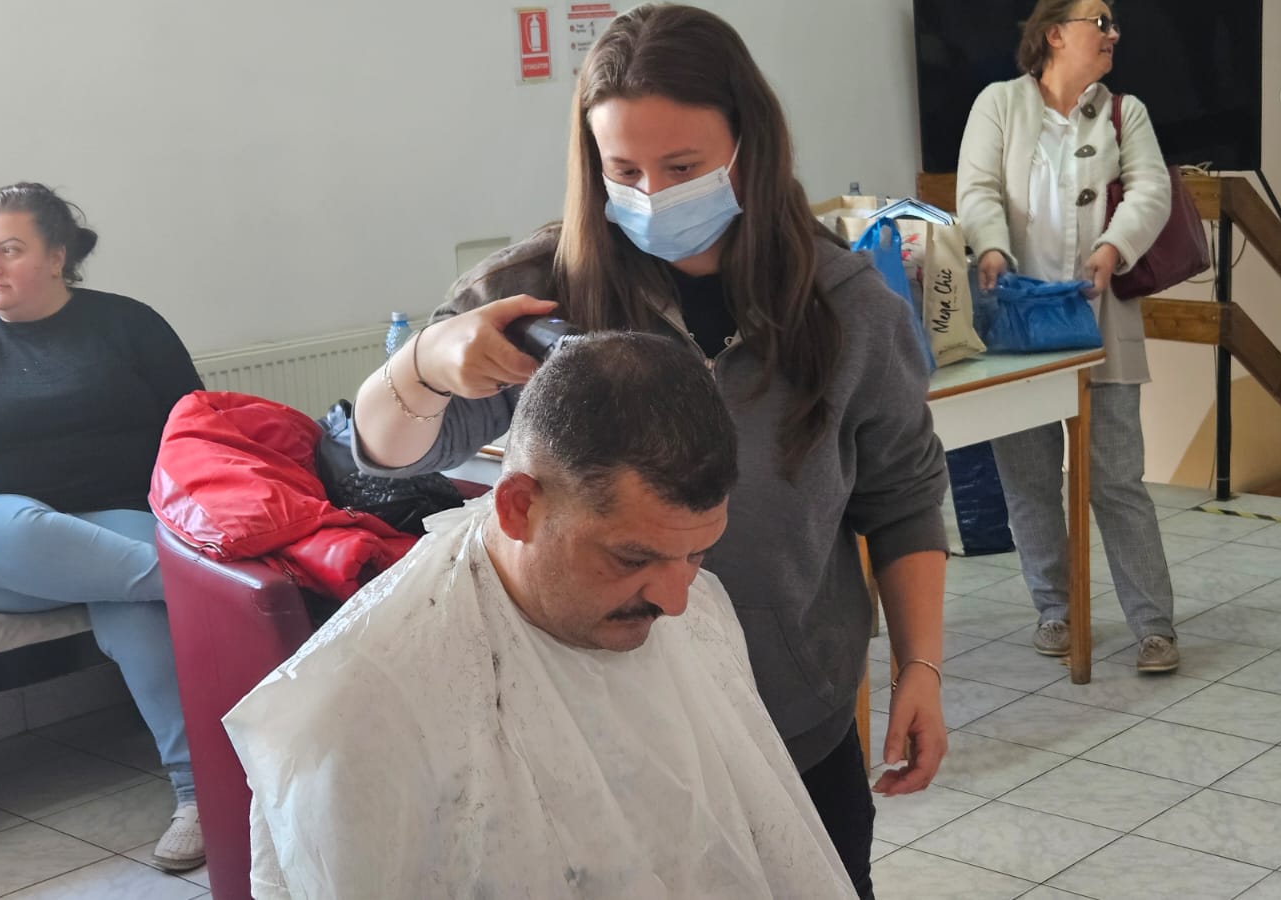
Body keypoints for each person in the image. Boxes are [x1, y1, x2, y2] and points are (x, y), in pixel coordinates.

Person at [349, 6, 949, 896]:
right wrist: (427, 365)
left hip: (789, 719)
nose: (653, 195)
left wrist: (919, 668)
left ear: (749, 147)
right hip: (590, 737)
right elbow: (383, 452)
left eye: (683, 168)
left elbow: (903, 501)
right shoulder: (539, 296)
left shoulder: (848, 310)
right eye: (623, 171)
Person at [227, 332, 857, 899]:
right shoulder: (359, 714)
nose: (677, 602)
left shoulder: (697, 611)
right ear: (519, 507)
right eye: (631, 557)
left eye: (697, 553)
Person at [0, 183, 205, 868]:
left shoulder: (128, 324)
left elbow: (195, 428)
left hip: (121, 524)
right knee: (13, 531)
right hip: (1, 545)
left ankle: (199, 795)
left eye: (10, 250)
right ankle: (219, 587)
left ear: (57, 257)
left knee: (130, 604)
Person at [956, 0, 1182, 673]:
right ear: (1055, 33)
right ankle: (1055, 609)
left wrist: (1113, 247)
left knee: (1116, 480)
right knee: (1028, 482)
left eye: (1114, 23)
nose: (1114, 33)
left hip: (1099, 319)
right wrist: (991, 247)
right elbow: (977, 190)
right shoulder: (999, 104)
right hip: (1018, 321)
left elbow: (1152, 192)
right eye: (1099, 21)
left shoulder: (1125, 112)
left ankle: (1153, 626)